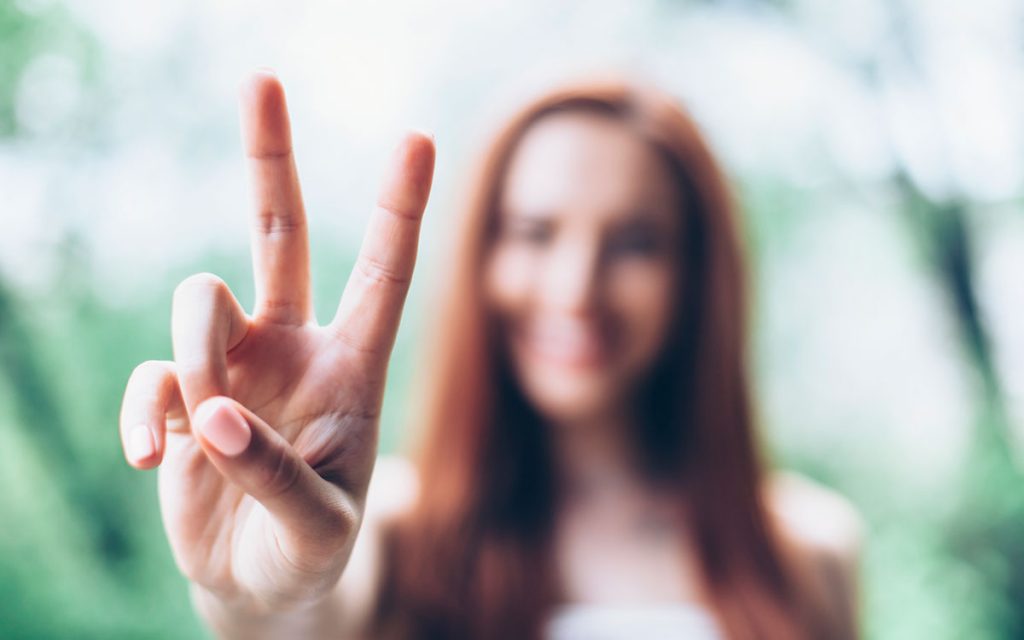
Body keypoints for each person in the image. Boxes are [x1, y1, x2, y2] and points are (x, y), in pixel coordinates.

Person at [118, 70, 863, 639]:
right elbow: (299, 611)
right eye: (535, 233)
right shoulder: (393, 534)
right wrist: (255, 595)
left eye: (636, 243)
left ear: (699, 276)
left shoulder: (807, 550)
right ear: (480, 257)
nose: (576, 290)